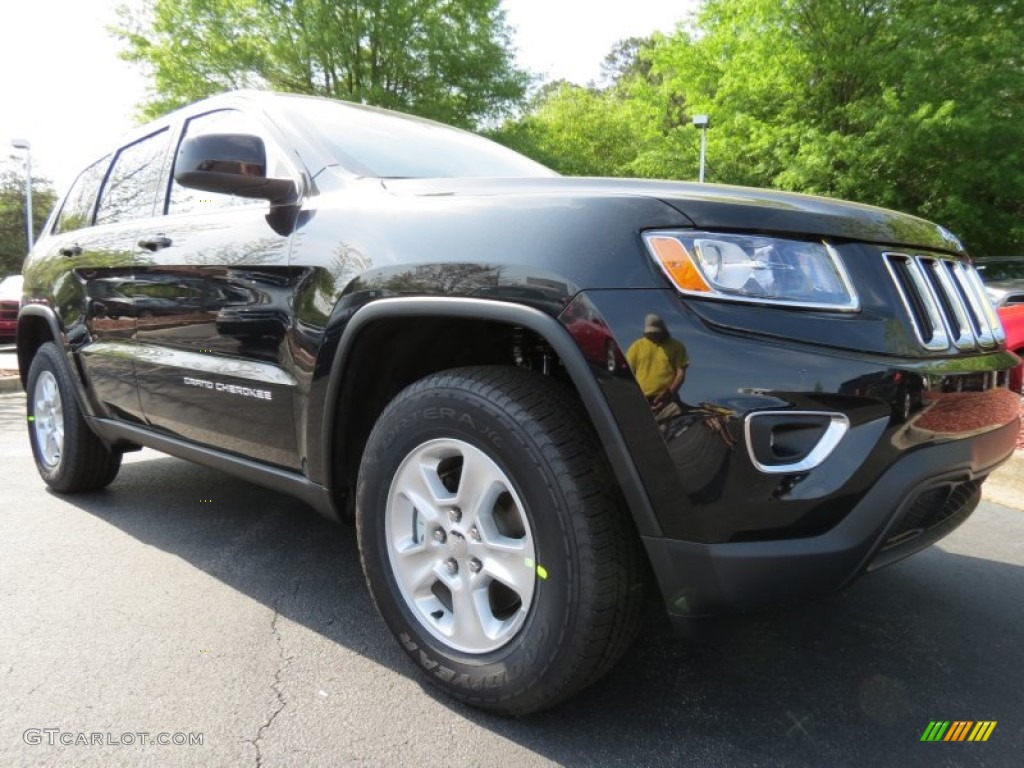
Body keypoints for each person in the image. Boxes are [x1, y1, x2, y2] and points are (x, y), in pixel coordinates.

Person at [626, 314, 689, 419]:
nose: (652, 336)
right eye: (649, 333)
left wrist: (669, 394)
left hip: (668, 401)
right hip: (642, 401)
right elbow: (627, 373)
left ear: (663, 331)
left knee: (662, 433)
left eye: (655, 333)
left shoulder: (677, 346)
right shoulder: (637, 346)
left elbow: (680, 375)